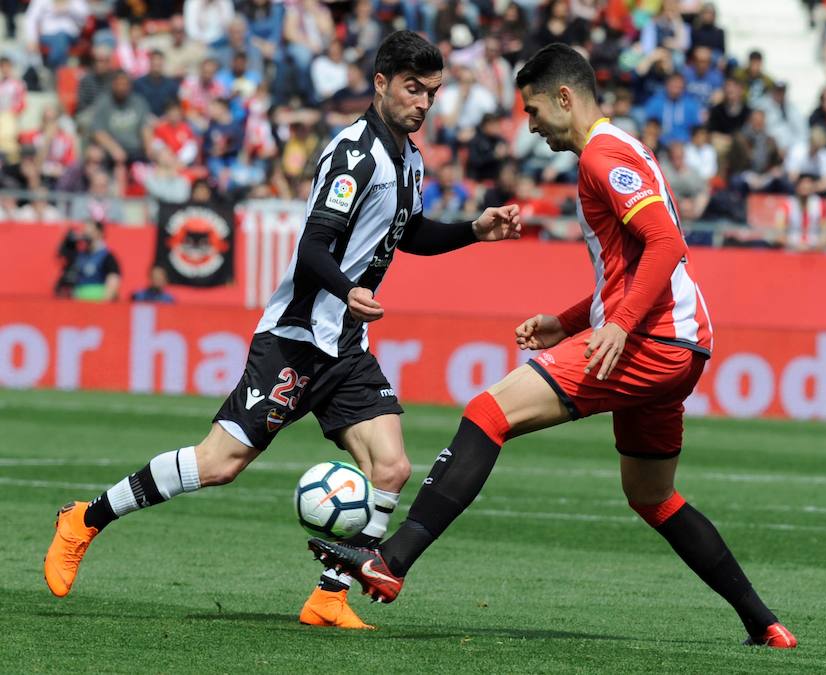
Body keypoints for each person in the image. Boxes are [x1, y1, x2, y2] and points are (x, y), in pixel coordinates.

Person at [307, 43, 798, 650]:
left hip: (647, 339)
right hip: (681, 345)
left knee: (489, 413)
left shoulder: (602, 156)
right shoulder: (627, 149)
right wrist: (569, 321)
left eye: (535, 110)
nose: (531, 126)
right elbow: (635, 262)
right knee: (653, 496)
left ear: (565, 97)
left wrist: (615, 329)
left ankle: (392, 560)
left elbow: (666, 244)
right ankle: (764, 623)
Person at [43, 30, 522, 632]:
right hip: (297, 335)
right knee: (218, 464)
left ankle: (329, 597)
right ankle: (84, 520)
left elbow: (410, 232)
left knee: (392, 467)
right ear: (380, 83)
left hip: (346, 344)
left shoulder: (409, 157)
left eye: (432, 92)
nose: (423, 103)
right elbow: (313, 243)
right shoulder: (353, 153)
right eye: (412, 89)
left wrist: (474, 230)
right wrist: (346, 288)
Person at [71, 220, 122, 301]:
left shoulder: (107, 257)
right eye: (85, 231)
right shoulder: (80, 255)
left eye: (90, 231)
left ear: (99, 233)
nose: (86, 234)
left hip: (97, 305)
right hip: (78, 305)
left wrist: (101, 307)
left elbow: (113, 283)